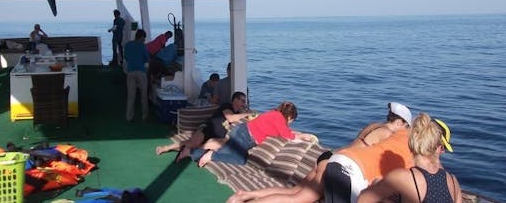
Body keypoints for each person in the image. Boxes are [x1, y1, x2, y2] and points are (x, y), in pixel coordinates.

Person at [226, 102, 413, 203]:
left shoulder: (373, 126)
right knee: (298, 198)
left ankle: (245, 195)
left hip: (331, 157)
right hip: (339, 166)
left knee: (292, 191)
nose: (403, 132)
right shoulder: (387, 134)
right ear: (399, 122)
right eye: (404, 127)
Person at [358, 113, 462, 203]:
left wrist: (376, 186)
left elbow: (362, 200)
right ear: (439, 148)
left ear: (412, 142)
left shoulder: (402, 178)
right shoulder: (453, 182)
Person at [190, 101, 315, 167]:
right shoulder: (279, 118)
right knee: (241, 159)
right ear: (289, 117)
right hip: (245, 137)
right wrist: (304, 136)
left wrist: (295, 133)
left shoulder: (274, 114)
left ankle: (193, 154)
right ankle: (211, 156)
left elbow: (282, 131)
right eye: (291, 121)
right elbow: (288, 135)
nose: (290, 124)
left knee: (226, 151)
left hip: (241, 131)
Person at [155, 92, 252, 158]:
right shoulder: (227, 106)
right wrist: (247, 114)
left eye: (245, 101)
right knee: (193, 143)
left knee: (196, 147)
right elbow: (230, 118)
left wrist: (247, 111)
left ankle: (184, 151)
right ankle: (165, 148)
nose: (244, 103)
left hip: (215, 137)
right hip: (207, 129)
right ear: (235, 100)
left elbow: (243, 116)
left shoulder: (239, 112)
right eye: (243, 101)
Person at [123, 29, 150, 122]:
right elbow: (147, 59)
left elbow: (126, 57)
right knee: (144, 96)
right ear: (141, 37)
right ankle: (144, 116)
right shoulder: (143, 46)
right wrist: (145, 69)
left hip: (130, 72)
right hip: (141, 72)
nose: (144, 40)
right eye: (144, 38)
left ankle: (129, 117)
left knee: (131, 97)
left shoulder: (128, 45)